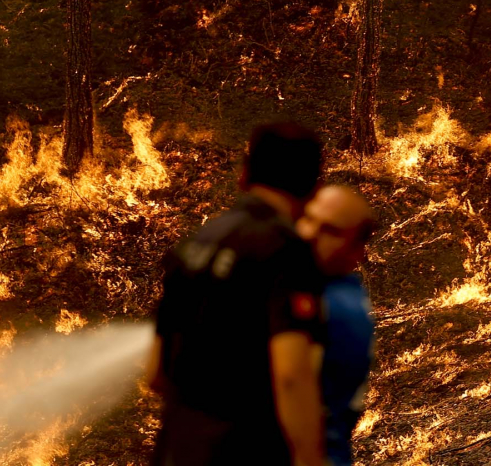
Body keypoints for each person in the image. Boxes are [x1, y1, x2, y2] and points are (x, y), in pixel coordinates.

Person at [144, 122, 326, 466]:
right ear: (313, 188)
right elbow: (291, 374)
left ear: (244, 175)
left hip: (175, 449)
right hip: (244, 449)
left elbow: (155, 373)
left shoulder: (194, 245)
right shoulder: (285, 249)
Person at [296, 185, 376, 466]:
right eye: (307, 219)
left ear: (357, 251)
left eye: (330, 231)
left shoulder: (338, 308)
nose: (308, 234)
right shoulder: (309, 289)